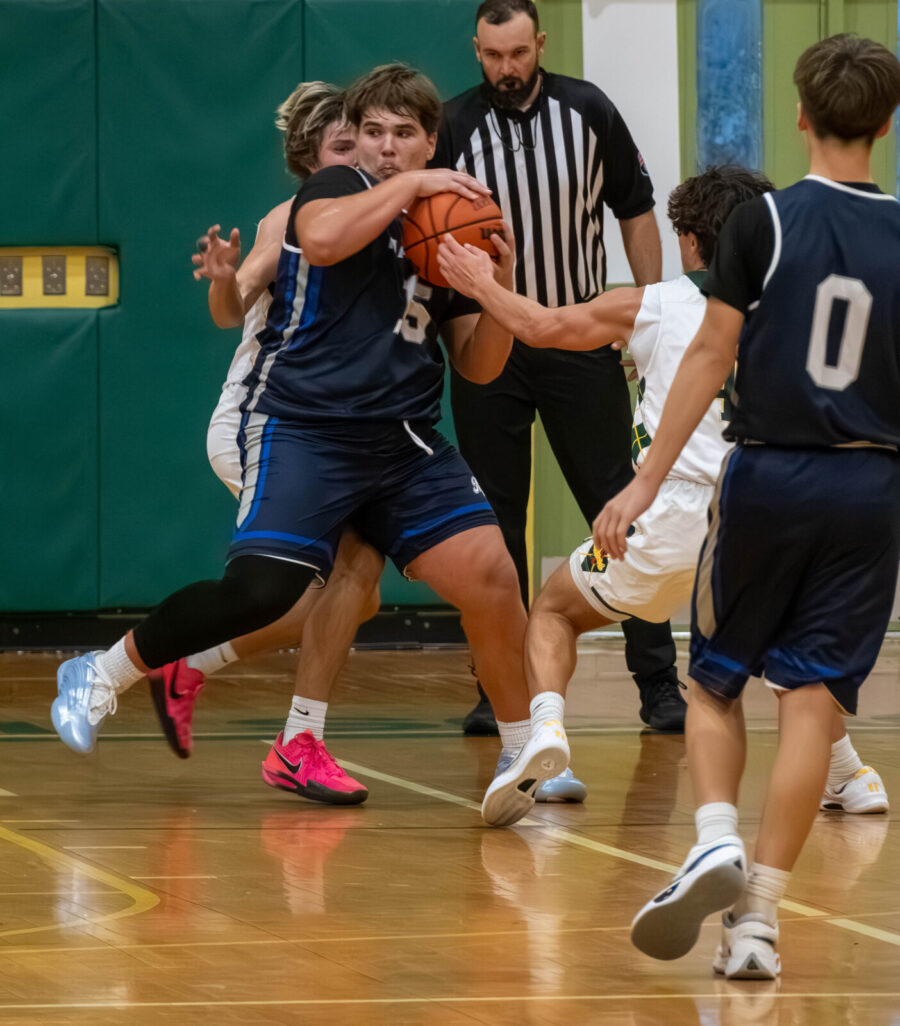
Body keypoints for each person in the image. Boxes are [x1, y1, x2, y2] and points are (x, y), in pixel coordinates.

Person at [50, 63, 569, 828]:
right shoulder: (334, 191)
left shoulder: (448, 222)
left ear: (432, 139)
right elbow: (322, 245)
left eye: (405, 136)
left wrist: (500, 276)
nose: (388, 148)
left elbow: (480, 363)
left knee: (492, 575)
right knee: (263, 592)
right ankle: (104, 669)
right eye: (375, 134)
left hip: (401, 441)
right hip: (304, 426)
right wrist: (418, 187)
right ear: (355, 140)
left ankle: (521, 753)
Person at [438, 162, 887, 826]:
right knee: (784, 648)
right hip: (766, 507)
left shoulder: (656, 302)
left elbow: (539, 327)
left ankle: (549, 731)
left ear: (690, 241)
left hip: (670, 511)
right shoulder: (803, 305)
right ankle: (852, 778)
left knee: (554, 610)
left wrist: (480, 282)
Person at [592, 35, 900, 979]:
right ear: (886, 125)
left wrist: (644, 481)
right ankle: (759, 925)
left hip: (770, 474)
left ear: (802, 115)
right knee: (812, 702)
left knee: (714, 681)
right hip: (872, 485)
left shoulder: (759, 224)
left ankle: (714, 836)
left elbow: (710, 355)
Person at [433, 0, 686, 761]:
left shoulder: (588, 109)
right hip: (488, 342)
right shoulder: (450, 127)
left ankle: (659, 685)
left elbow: (637, 212)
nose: (506, 69)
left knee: (619, 504)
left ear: (538, 43)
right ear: (475, 50)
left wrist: (645, 320)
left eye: (517, 53)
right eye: (491, 56)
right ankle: (498, 691)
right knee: (494, 522)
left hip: (578, 339)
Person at [156, 82, 382, 806]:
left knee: (359, 594)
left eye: (364, 142)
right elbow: (235, 304)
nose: (360, 158)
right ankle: (297, 741)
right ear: (310, 160)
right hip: (264, 422)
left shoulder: (378, 213)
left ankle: (191, 665)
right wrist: (224, 281)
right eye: (342, 148)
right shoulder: (290, 215)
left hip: (320, 428)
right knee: (351, 572)